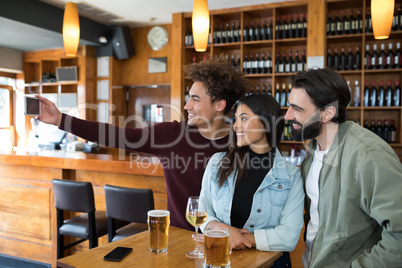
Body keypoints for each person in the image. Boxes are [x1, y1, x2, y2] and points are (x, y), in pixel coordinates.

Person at [36, 57, 247, 231]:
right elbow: (116, 135)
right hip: (178, 237)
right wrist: (61, 120)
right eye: (187, 98)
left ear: (220, 105)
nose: (186, 105)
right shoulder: (172, 134)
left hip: (223, 239)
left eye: (195, 99)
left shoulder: (241, 142)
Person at [284, 68, 402, 268]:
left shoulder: (368, 155)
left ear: (328, 113)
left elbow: (398, 234)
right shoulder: (313, 149)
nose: (287, 116)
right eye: (289, 106)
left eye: (297, 109)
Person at [198, 94, 304, 267]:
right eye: (235, 119)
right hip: (219, 259)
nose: (236, 126)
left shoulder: (291, 176)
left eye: (244, 118)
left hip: (269, 263)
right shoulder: (217, 163)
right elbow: (202, 212)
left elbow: (289, 236)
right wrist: (223, 230)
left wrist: (238, 237)